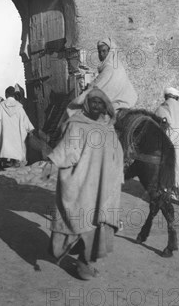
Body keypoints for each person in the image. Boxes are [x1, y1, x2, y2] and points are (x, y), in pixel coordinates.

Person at [48, 88, 124, 280]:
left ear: (106, 106)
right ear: (87, 104)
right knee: (82, 222)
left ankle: (86, 262)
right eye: (93, 102)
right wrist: (51, 162)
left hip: (104, 186)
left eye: (101, 103)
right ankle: (82, 264)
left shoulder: (108, 128)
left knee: (99, 224)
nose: (97, 106)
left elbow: (117, 155)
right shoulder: (76, 125)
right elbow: (67, 150)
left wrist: (118, 178)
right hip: (82, 184)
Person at [66, 37, 138, 116]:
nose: (101, 54)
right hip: (126, 103)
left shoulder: (110, 68)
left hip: (118, 105)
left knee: (79, 113)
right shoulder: (116, 65)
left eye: (104, 51)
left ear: (110, 52)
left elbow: (96, 87)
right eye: (99, 51)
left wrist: (86, 91)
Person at [0, 86, 34, 168]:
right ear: (13, 95)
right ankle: (15, 161)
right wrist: (29, 129)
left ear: (6, 94)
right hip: (16, 132)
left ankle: (5, 162)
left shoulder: (1, 105)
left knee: (5, 145)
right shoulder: (19, 106)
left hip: (5, 132)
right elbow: (25, 119)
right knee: (16, 144)